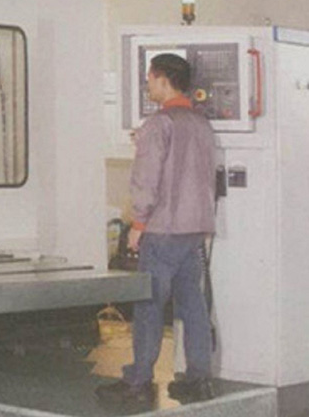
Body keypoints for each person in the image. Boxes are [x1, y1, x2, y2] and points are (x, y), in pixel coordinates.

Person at [96, 53, 218, 407]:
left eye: (149, 78)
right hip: (194, 229)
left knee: (148, 305)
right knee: (193, 304)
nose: (147, 84)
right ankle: (198, 379)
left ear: (163, 79)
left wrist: (138, 224)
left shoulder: (158, 124)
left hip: (163, 228)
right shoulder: (201, 123)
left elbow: (147, 181)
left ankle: (138, 381)